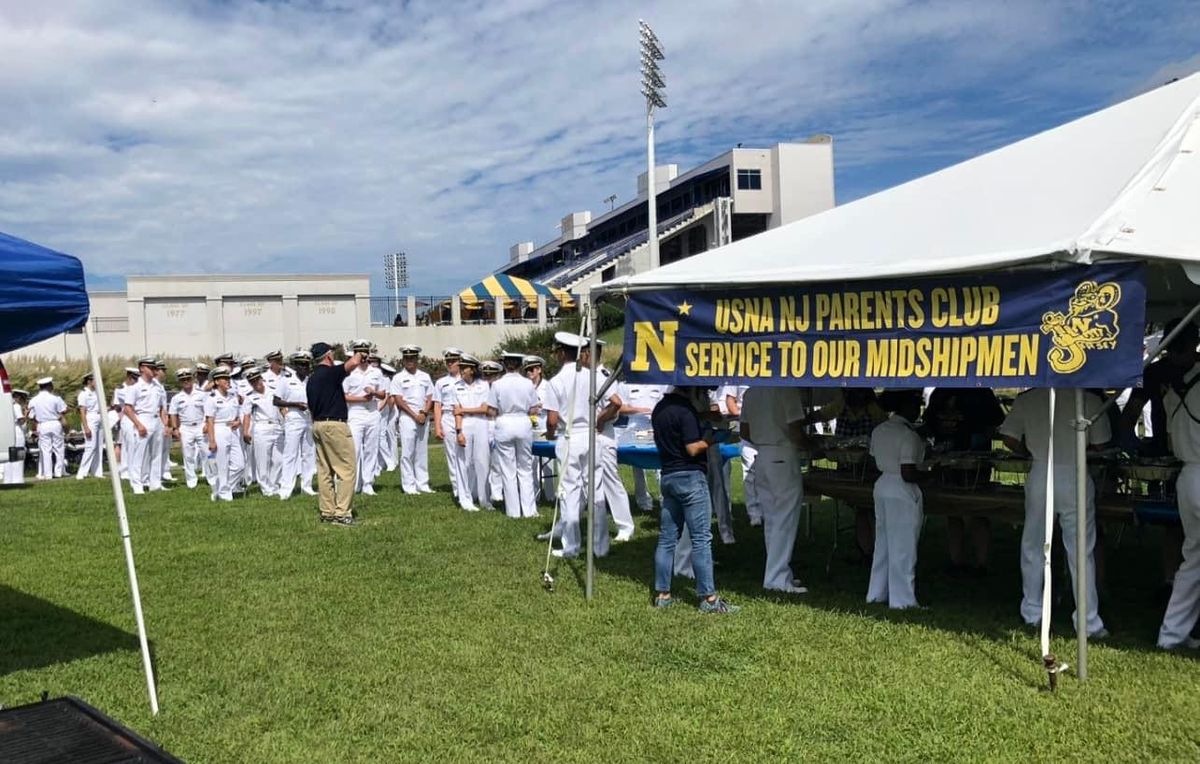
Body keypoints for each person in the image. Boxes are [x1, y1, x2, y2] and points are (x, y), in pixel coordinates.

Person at [1000, 387, 1111, 638]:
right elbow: (1102, 442)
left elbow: (1008, 436)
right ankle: (1088, 619)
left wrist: (1027, 452)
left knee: (1034, 544)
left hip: (1041, 470)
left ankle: (1032, 610)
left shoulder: (1027, 398)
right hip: (1074, 471)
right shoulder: (1089, 398)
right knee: (1081, 549)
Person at [651, 385, 740, 614]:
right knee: (701, 538)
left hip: (668, 476)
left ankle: (662, 594)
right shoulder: (685, 411)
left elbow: (681, 424)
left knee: (667, 539)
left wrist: (703, 416)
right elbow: (692, 448)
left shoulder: (659, 409)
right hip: (690, 477)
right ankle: (709, 598)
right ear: (691, 390)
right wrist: (712, 439)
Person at [922, 387, 1005, 576]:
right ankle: (956, 561)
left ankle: (981, 564)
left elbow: (997, 421)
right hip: (946, 460)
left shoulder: (982, 392)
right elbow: (929, 422)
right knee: (952, 510)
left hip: (975, 461)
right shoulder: (940, 392)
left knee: (977, 509)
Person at [543, 332, 607, 559]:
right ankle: (600, 546)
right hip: (591, 435)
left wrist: (550, 434)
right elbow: (614, 403)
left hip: (569, 436)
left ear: (561, 353)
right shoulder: (594, 376)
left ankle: (572, 546)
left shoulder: (556, 381)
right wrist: (600, 421)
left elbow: (551, 419)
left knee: (570, 492)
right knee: (596, 489)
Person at [741, 386, 809, 594]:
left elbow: (745, 431)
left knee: (772, 519)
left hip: (762, 454)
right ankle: (776, 577)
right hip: (782, 453)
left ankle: (778, 572)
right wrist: (813, 445)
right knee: (784, 519)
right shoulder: (787, 391)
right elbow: (796, 431)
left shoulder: (751, 392)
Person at [868, 390, 927, 609]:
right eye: (916, 406)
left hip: (882, 485)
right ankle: (903, 601)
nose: (918, 411)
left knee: (882, 544)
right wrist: (931, 475)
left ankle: (876, 593)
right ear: (907, 407)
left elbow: (875, 459)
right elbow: (908, 472)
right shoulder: (908, 435)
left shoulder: (879, 430)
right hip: (901, 490)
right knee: (903, 547)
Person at [1159, 360, 1200, 649]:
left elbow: (1172, 443)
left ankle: (1171, 634)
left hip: (1187, 476)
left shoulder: (1173, 393)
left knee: (1193, 557)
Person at [307, 341, 365, 525]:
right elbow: (353, 363)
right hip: (335, 425)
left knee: (325, 471)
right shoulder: (330, 374)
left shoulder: (312, 379)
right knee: (346, 469)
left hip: (318, 424)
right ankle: (342, 513)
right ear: (328, 355)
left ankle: (327, 512)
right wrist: (361, 351)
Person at [488, 351, 540, 518]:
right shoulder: (528, 383)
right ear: (520, 365)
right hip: (523, 422)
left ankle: (513, 511)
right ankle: (530, 510)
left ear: (504, 365)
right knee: (525, 468)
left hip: (504, 422)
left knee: (508, 469)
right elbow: (533, 408)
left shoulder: (497, 384)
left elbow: (491, 410)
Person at [592, 343, 634, 545]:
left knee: (610, 480)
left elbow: (615, 406)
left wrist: (600, 419)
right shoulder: (584, 376)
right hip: (586, 433)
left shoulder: (603, 376)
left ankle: (625, 525)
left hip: (603, 433)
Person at [390, 344, 435, 494]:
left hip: (423, 416)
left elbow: (430, 397)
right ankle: (409, 485)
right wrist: (415, 415)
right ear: (403, 360)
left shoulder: (425, 376)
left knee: (422, 452)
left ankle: (423, 483)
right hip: (408, 417)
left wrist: (424, 412)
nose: (410, 361)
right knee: (407, 452)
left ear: (417, 359)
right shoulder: (398, 378)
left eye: (412, 358)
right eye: (407, 358)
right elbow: (398, 400)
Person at [343, 339, 384, 496]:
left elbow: (383, 394)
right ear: (355, 354)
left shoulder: (376, 372)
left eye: (365, 352)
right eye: (359, 353)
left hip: (373, 411)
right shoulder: (349, 372)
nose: (363, 356)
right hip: (356, 412)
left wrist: (373, 393)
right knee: (355, 449)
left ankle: (368, 483)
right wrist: (361, 399)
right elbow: (344, 396)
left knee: (371, 449)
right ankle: (353, 483)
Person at [453, 355, 493, 511]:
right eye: (461, 367)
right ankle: (465, 499)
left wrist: (463, 409)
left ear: (473, 369)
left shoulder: (483, 385)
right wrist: (458, 432)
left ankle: (485, 499)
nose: (461, 370)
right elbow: (455, 411)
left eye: (465, 368)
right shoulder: (456, 386)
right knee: (464, 462)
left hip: (481, 422)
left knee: (483, 461)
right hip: (465, 423)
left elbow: (485, 408)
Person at [622, 382, 669, 512]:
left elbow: (666, 403)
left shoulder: (659, 383)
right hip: (635, 429)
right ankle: (643, 502)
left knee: (660, 465)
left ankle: (665, 499)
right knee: (638, 467)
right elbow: (620, 407)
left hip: (656, 427)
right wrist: (639, 410)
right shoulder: (626, 385)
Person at [276, 350, 317, 500]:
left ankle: (307, 486)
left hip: (308, 418)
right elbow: (276, 401)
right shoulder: (286, 381)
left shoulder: (310, 381)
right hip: (293, 416)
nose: (304, 368)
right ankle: (286, 488)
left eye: (306, 365)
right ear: (295, 366)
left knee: (309, 454)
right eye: (301, 365)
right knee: (290, 454)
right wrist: (294, 404)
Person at [203, 365, 244, 502]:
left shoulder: (233, 396)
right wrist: (212, 440)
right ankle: (225, 495)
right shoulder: (212, 398)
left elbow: (238, 415)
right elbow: (210, 421)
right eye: (224, 378)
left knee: (239, 465)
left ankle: (221, 488)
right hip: (219, 429)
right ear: (216, 382)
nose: (228, 380)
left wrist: (238, 422)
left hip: (233, 430)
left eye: (228, 378)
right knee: (222, 464)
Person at [243, 368, 284, 498]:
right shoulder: (250, 397)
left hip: (277, 425)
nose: (256, 383)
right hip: (261, 427)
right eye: (252, 381)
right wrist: (245, 431)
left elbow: (282, 407)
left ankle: (274, 484)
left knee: (279, 460)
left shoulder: (273, 390)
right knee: (263, 461)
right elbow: (247, 416)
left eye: (257, 379)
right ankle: (266, 488)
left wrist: (287, 421)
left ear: (261, 378)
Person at [724, 385, 761, 526]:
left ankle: (767, 508)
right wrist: (743, 418)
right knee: (750, 473)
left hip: (768, 429)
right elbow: (730, 400)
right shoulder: (739, 375)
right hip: (747, 431)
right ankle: (754, 514)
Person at [434, 348, 466, 501]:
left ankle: (468, 486)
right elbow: (437, 405)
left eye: (453, 361)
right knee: (452, 455)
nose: (450, 364)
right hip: (447, 416)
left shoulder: (466, 379)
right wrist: (438, 426)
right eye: (448, 361)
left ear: (459, 361)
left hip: (465, 416)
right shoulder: (441, 382)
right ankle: (457, 488)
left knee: (467, 454)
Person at [168, 368, 208, 489]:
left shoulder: (202, 394)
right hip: (185, 427)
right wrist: (175, 428)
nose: (186, 381)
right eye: (183, 380)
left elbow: (208, 410)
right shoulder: (177, 398)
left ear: (192, 379)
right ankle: (191, 481)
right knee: (188, 455)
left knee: (206, 453)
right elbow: (173, 414)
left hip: (201, 425)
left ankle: (211, 477)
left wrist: (207, 423)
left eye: (188, 379)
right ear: (180, 382)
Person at [524, 355, 556, 502]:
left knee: (549, 461)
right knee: (531, 461)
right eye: (527, 370)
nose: (529, 372)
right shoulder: (524, 386)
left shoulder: (548, 386)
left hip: (544, 424)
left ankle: (550, 495)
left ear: (539, 370)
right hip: (529, 426)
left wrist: (541, 406)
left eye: (531, 369)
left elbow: (554, 405)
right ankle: (535, 494)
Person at [29, 377, 67, 480]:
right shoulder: (56, 398)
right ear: (49, 386)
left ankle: (48, 474)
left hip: (42, 424)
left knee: (46, 450)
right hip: (55, 423)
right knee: (59, 448)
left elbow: (32, 416)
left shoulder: (33, 400)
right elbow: (63, 410)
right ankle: (59, 472)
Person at [481, 361, 506, 504]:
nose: (488, 379)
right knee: (482, 459)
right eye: (486, 375)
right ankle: (483, 490)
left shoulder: (501, 388)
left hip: (497, 423)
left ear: (497, 376)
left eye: (491, 376)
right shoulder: (479, 388)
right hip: (483, 424)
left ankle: (497, 492)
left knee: (497, 460)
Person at [76, 372, 104, 479]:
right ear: (89, 381)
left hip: (99, 417)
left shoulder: (98, 392)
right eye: (95, 380)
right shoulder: (83, 394)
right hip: (90, 419)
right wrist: (86, 427)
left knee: (99, 446)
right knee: (90, 446)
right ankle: (81, 473)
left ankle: (97, 472)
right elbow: (82, 411)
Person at [4, 389, 28, 484]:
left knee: (9, 458)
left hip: (8, 432)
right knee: (18, 456)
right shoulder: (16, 406)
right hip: (17, 432)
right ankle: (18, 479)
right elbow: (21, 420)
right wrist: (26, 414)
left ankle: (8, 479)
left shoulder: (6, 405)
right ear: (18, 398)